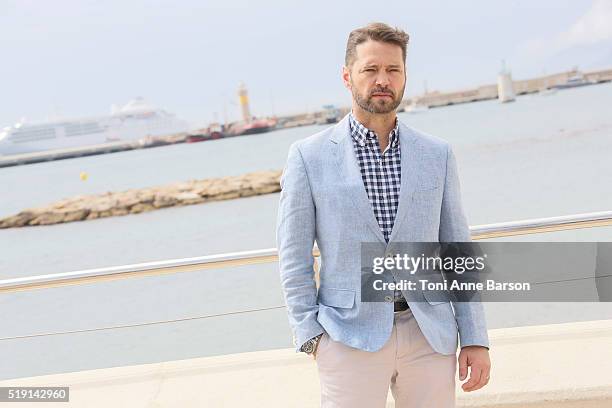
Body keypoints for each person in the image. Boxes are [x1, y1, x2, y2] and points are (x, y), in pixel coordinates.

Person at [276, 22, 491, 408]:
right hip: (347, 337)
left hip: (429, 333)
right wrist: (310, 334)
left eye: (393, 70)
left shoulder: (436, 154)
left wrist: (474, 337)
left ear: (405, 75)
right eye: (370, 70)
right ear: (347, 76)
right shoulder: (308, 157)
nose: (382, 80)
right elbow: (293, 256)